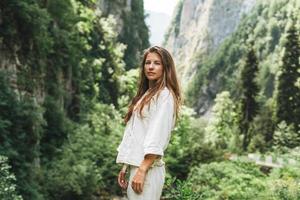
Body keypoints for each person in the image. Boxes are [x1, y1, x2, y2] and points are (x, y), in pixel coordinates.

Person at [116, 46, 182, 199]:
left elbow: (156, 135)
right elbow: (136, 134)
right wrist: (126, 166)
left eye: (157, 63)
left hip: (147, 170)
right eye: (148, 62)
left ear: (166, 67)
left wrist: (142, 169)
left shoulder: (165, 95)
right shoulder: (146, 94)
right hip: (138, 167)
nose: (151, 67)